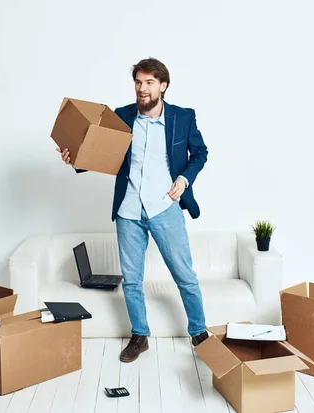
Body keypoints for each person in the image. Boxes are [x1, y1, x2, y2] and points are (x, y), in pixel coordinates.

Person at [56, 57, 209, 362]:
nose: (142, 89)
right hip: (128, 210)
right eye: (138, 82)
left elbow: (200, 153)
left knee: (184, 275)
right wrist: (74, 159)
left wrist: (184, 179)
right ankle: (139, 335)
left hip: (165, 208)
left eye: (149, 83)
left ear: (163, 86)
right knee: (132, 279)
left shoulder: (183, 117)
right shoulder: (122, 116)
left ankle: (199, 333)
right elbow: (101, 153)